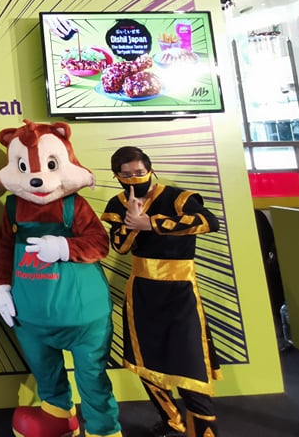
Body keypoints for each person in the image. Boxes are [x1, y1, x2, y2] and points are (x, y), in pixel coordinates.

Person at [101, 146, 222, 437]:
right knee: (146, 359)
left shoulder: (178, 197)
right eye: (126, 175)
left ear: (150, 170)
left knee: (190, 359)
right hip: (142, 291)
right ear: (117, 176)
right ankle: (171, 420)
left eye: (139, 172)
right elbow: (120, 246)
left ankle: (203, 431)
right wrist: (133, 221)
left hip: (180, 291)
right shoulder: (118, 204)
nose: (134, 178)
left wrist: (151, 224)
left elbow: (209, 222)